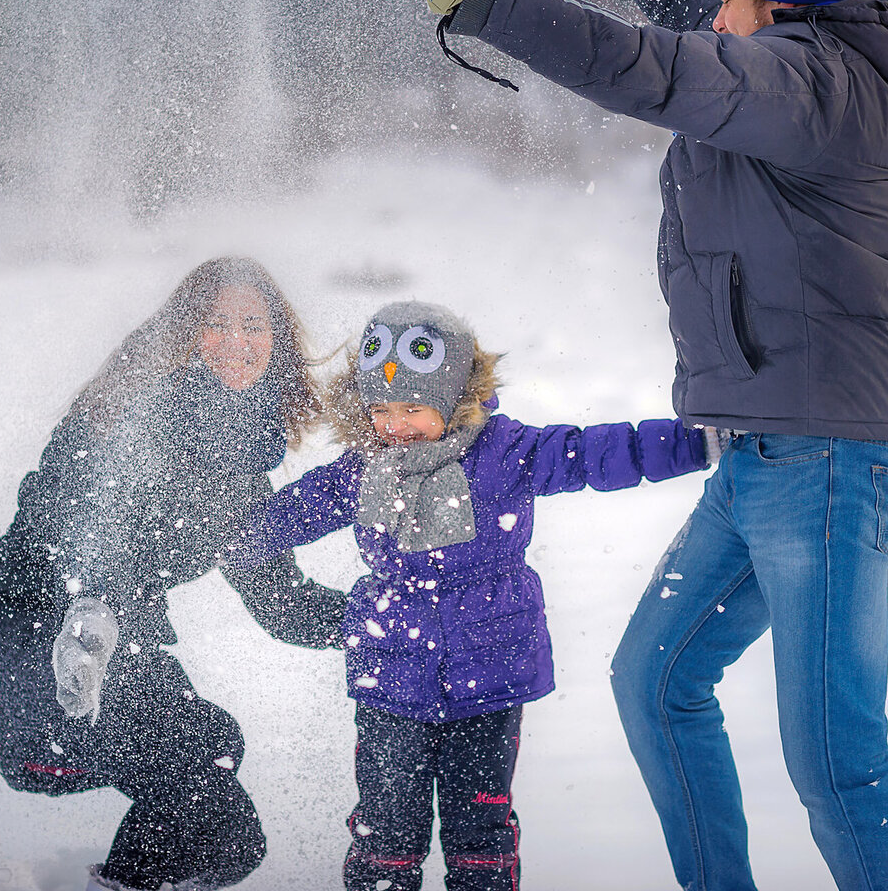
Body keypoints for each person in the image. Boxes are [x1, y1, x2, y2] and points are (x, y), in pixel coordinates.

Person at [326, 0, 888, 890]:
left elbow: (662, 72)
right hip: (766, 455)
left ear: (776, 12)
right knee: (656, 682)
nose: (713, 15)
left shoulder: (809, 86)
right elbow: (710, 53)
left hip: (830, 466)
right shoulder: (810, 67)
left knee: (835, 763)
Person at [232, 299, 709, 891]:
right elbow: (284, 515)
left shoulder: (504, 453)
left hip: (491, 674)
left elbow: (599, 452)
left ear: (457, 399)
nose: (395, 425)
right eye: (380, 409)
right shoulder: (362, 470)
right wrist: (213, 534)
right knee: (386, 828)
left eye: (414, 407)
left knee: (479, 828)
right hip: (391, 672)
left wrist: (699, 442)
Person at [0, 257, 347, 891]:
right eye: (216, 325)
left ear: (278, 341)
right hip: (29, 659)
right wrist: (94, 604)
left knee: (213, 773)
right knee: (212, 810)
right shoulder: (130, 416)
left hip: (113, 660)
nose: (237, 344)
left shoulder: (236, 466)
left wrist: (385, 617)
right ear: (185, 332)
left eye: (254, 325)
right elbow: (81, 510)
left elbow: (282, 602)